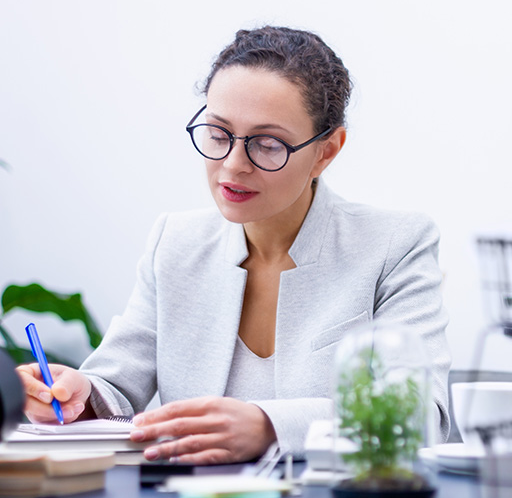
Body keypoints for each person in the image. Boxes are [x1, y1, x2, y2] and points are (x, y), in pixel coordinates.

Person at [16, 25, 451, 465]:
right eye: (219, 135)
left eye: (267, 144)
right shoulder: (177, 242)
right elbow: (115, 387)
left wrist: (269, 426)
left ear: (327, 151)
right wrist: (76, 395)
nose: (232, 165)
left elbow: (420, 416)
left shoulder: (394, 245)